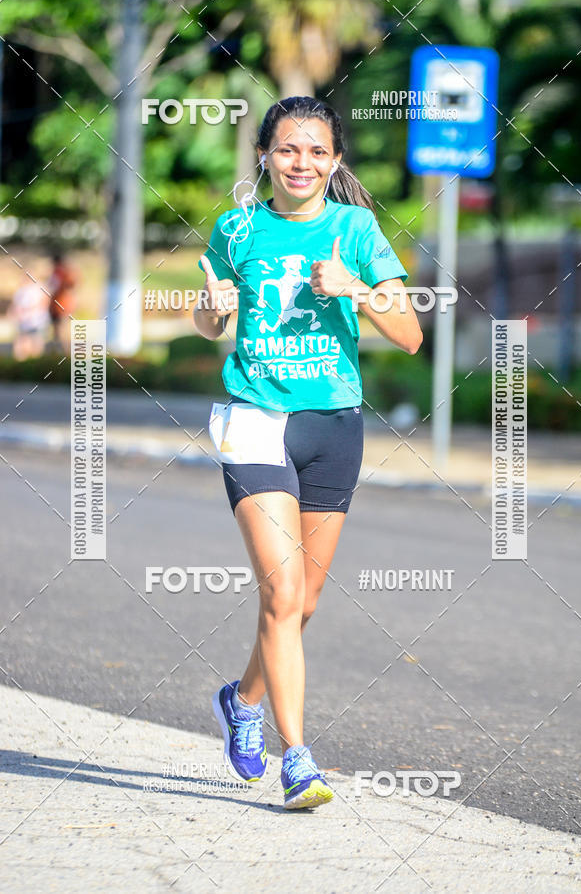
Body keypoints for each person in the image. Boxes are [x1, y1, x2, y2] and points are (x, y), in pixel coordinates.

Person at [193, 96, 423, 810]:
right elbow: (206, 321)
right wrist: (213, 311)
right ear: (264, 155)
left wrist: (357, 290)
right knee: (282, 594)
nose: (302, 163)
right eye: (288, 149)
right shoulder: (237, 227)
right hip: (254, 418)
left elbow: (411, 334)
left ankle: (241, 700)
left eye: (317, 151)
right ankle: (298, 758)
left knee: (305, 603)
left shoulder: (356, 228)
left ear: (335, 160)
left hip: (333, 425)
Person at [10, 258, 51, 360]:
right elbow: (15, 304)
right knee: (21, 345)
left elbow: (44, 302)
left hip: (36, 322)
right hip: (23, 322)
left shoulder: (40, 287)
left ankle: (35, 364)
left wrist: (28, 310)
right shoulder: (21, 289)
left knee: (36, 345)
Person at [47, 252, 77, 352]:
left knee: (60, 330)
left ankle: (64, 351)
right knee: (61, 329)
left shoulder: (59, 272)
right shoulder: (67, 272)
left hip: (59, 305)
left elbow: (53, 286)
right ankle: (62, 351)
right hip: (62, 305)